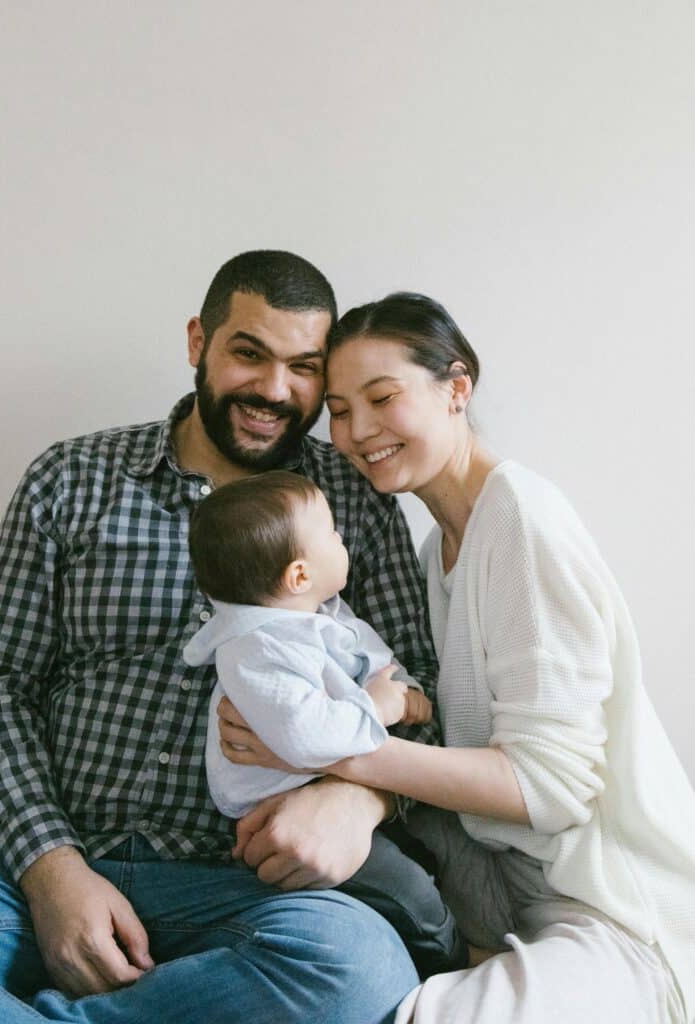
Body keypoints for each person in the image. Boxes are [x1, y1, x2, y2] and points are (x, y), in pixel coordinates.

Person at [0, 253, 441, 1024]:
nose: (274, 390)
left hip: (244, 883)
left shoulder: (349, 500)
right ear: (197, 343)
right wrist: (52, 869)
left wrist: (359, 798)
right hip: (57, 853)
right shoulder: (71, 479)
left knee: (360, 972)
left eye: (303, 367)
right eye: (249, 353)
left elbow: (422, 688)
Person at [219, 291, 695, 1023]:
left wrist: (327, 746)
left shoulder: (520, 519)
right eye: (340, 410)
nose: (357, 431)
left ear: (456, 388)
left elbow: (549, 787)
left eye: (382, 398)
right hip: (509, 913)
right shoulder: (437, 548)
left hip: (619, 918)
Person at [184, 470, 465, 977]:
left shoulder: (318, 613)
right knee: (409, 893)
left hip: (330, 791)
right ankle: (450, 958)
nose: (342, 539)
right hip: (281, 812)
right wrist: (383, 708)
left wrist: (402, 687)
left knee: (421, 856)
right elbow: (309, 735)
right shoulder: (258, 651)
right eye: (333, 534)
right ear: (298, 575)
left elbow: (366, 654)